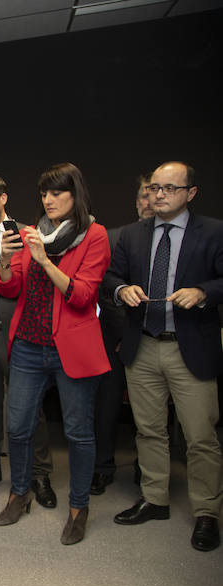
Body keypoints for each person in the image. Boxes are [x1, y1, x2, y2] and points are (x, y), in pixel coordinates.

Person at [105, 161, 223, 552]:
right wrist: (122, 290)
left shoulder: (214, 231)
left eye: (169, 188)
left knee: (200, 436)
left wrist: (204, 292)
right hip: (144, 344)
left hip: (190, 345)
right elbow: (111, 277)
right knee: (148, 429)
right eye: (154, 188)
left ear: (190, 193)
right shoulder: (132, 235)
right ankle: (155, 499)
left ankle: (207, 511)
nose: (159, 195)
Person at [0, 163, 110, 546]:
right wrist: (5, 261)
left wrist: (44, 260)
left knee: (78, 433)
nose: (48, 200)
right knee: (19, 427)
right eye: (44, 193)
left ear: (75, 194)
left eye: (57, 192)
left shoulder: (94, 235)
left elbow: (83, 295)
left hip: (70, 348)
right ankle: (19, 493)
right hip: (28, 344)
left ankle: (78, 508)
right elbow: (11, 290)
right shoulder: (32, 234)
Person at [0, 174, 56, 506]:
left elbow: (26, 282)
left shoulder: (29, 233)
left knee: (31, 410)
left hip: (19, 334)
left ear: (3, 199)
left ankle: (39, 474)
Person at [90, 174, 152, 495]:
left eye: (156, 193)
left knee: (151, 412)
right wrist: (120, 335)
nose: (150, 201)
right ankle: (103, 466)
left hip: (157, 340)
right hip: (114, 338)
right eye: (144, 195)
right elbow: (103, 288)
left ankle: (147, 468)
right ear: (137, 200)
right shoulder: (116, 238)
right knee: (106, 405)